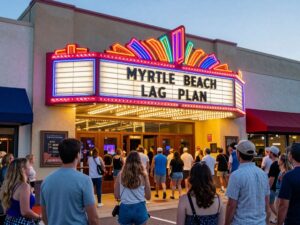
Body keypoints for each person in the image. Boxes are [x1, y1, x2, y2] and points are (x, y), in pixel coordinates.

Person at [41, 138, 99, 225]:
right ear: (77, 155)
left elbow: (44, 216)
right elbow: (93, 218)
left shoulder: (46, 181)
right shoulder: (85, 180)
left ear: (60, 156)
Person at [225, 140, 270, 225]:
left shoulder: (236, 175)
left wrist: (226, 223)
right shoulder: (263, 174)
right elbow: (266, 203)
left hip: (241, 222)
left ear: (238, 154)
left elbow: (231, 205)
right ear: (253, 156)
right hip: (260, 222)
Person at [114, 151, 151, 225]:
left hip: (125, 209)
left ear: (127, 161)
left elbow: (117, 196)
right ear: (139, 161)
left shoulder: (120, 175)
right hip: (140, 208)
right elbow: (148, 197)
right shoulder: (143, 175)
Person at [0, 158, 41, 224]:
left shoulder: (9, 185)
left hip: (9, 220)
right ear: (23, 169)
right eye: (28, 166)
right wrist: (39, 217)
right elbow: (25, 212)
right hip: (22, 221)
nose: (30, 168)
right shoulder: (24, 186)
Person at [278, 143, 300, 225]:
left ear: (291, 156)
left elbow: (283, 205)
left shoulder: (288, 176)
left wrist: (279, 223)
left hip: (294, 220)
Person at [268, 145, 280, 222]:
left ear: (272, 153)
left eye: (269, 152)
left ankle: (279, 218)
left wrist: (267, 188)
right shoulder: (279, 163)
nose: (268, 153)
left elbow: (272, 178)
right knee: (276, 204)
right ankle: (278, 218)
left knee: (271, 204)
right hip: (278, 187)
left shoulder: (274, 164)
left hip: (273, 188)